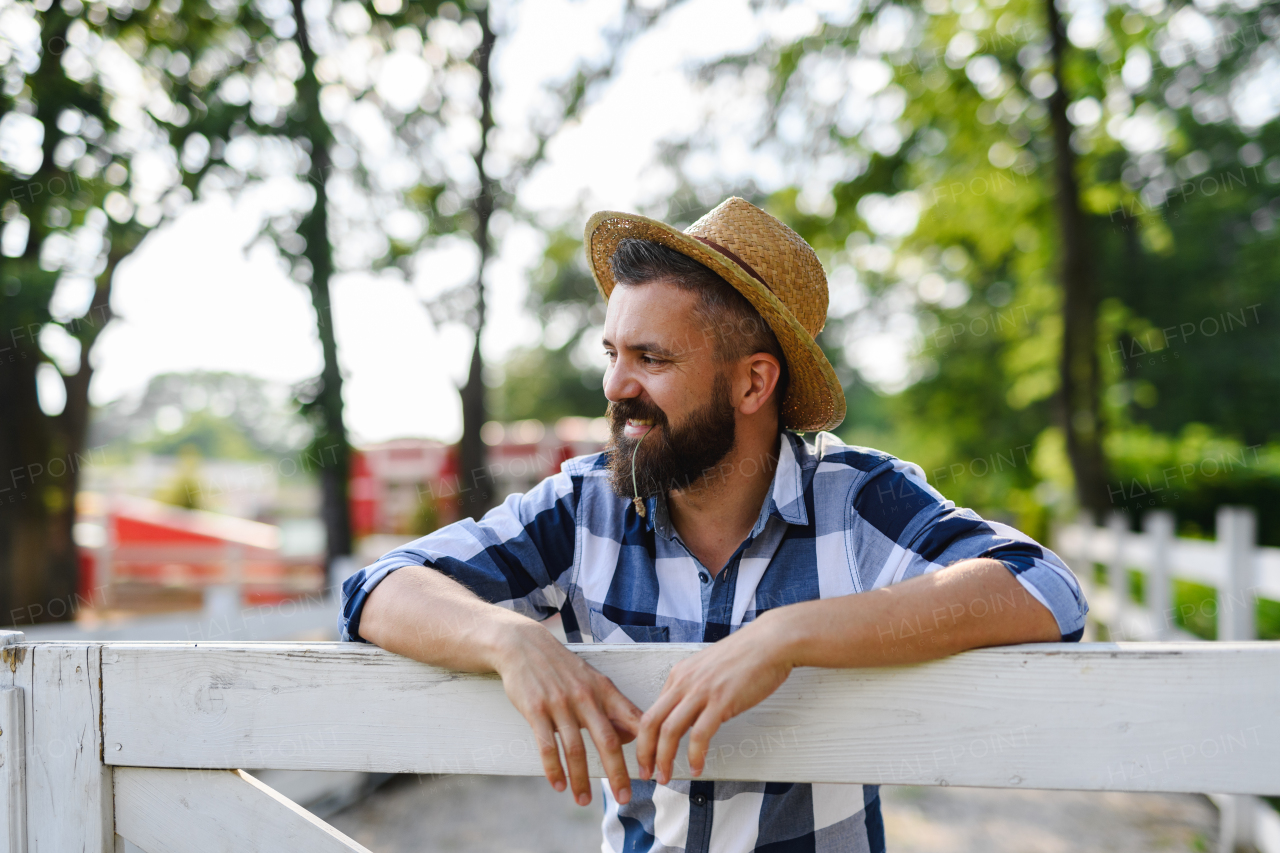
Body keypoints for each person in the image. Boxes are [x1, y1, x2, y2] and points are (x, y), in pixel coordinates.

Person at [340, 197, 1088, 853]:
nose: (615, 385)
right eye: (612, 353)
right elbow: (378, 589)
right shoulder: (584, 503)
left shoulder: (855, 497)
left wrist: (784, 637)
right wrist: (509, 638)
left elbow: (1046, 589)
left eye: (651, 358)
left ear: (753, 381)